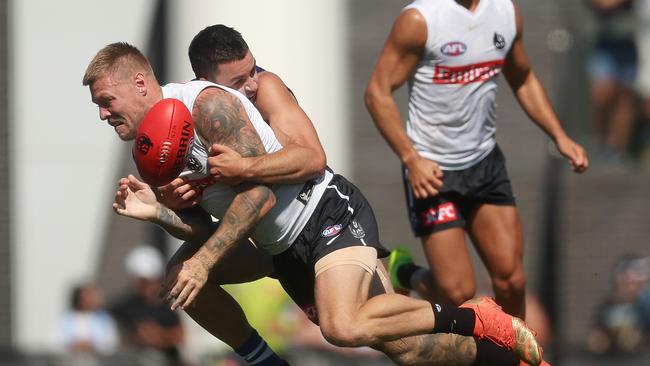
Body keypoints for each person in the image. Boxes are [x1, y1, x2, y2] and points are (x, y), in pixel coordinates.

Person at [83, 42, 546, 366]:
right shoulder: (151, 157)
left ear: (141, 83)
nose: (103, 113)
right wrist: (159, 213)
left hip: (324, 213)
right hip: (278, 247)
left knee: (343, 328)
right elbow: (208, 233)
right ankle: (504, 360)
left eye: (106, 100)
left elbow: (260, 196)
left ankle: (476, 318)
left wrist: (204, 260)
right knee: (409, 352)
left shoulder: (206, 107)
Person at [365, 0, 589, 320]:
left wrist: (560, 136)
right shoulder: (420, 20)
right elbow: (377, 92)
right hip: (433, 172)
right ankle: (407, 273)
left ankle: (514, 356)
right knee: (458, 293)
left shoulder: (505, 12)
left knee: (512, 280)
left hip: (485, 163)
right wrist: (411, 159)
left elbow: (523, 77)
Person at [109, 246, 185, 366]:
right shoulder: (122, 307)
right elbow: (113, 338)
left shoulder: (166, 306)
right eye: (143, 281)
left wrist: (159, 336)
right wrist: (137, 336)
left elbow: (180, 336)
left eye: (150, 280)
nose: (148, 286)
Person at [586, 0, 637, 163]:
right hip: (603, 41)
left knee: (624, 97)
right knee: (602, 95)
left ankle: (618, 148)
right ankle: (600, 144)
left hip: (628, 41)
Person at [57, 283, 119, 355]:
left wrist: (93, 345)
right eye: (88, 296)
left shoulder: (104, 319)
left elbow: (111, 343)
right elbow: (55, 342)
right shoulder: (65, 319)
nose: (92, 299)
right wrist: (75, 345)